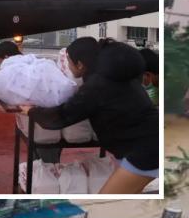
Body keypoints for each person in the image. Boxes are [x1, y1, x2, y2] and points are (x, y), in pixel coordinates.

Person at [21, 39, 159, 193]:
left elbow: (61, 117)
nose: (68, 66)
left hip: (145, 151)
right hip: (148, 141)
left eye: (69, 62)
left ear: (80, 65)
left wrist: (30, 110)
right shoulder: (116, 76)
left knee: (105, 201)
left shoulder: (97, 86)